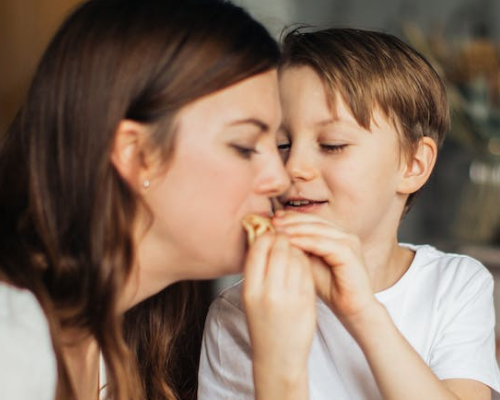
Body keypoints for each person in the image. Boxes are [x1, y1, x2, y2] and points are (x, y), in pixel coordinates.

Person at [0, 1, 318, 399]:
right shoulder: (11, 342)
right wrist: (282, 377)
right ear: (136, 154)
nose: (279, 179)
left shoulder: (123, 340)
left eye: (277, 144)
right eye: (243, 146)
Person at [198, 27, 500, 400]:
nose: (294, 167)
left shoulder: (456, 286)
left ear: (412, 164)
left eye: (332, 145)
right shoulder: (239, 314)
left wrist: (361, 312)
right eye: (281, 144)